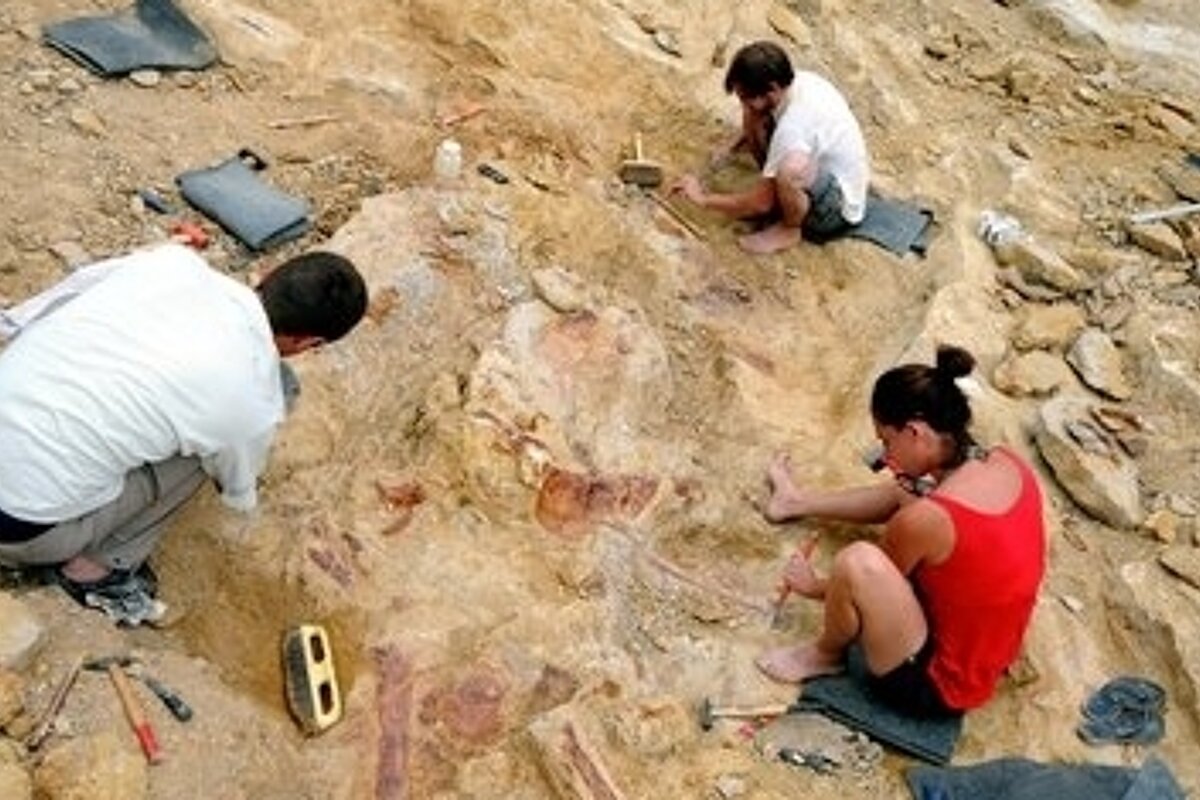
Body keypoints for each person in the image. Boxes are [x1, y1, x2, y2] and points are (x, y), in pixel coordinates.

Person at [0, 242, 368, 622]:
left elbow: (63, 295)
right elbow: (237, 491)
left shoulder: (170, 264)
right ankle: (97, 570)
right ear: (309, 342)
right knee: (206, 456)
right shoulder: (249, 398)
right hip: (17, 531)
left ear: (271, 272)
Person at [758, 345, 1045, 716]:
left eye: (887, 441)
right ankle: (795, 503)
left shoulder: (928, 520)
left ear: (914, 432)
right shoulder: (1007, 461)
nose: (885, 456)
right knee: (909, 492)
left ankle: (824, 655)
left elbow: (867, 581)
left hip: (939, 684)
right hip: (991, 649)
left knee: (858, 562)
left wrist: (812, 586)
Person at [670, 40, 870, 255]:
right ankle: (778, 183)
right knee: (755, 114)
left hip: (835, 209)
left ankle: (790, 228)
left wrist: (703, 199)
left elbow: (760, 204)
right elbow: (758, 114)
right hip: (819, 166)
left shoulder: (792, 129)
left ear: (773, 89)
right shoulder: (799, 82)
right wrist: (730, 148)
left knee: (790, 169)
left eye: (747, 97)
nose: (744, 104)